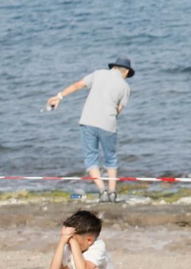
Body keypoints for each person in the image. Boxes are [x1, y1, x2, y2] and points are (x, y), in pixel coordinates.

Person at [46, 57, 135, 203]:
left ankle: (102, 191)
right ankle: (112, 192)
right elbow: (119, 109)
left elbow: (78, 85)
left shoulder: (98, 74)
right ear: (125, 72)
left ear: (114, 67)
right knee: (111, 158)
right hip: (108, 124)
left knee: (91, 158)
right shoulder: (125, 87)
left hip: (88, 121)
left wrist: (59, 97)